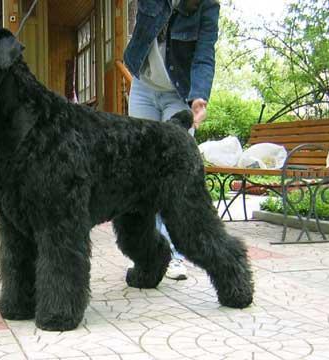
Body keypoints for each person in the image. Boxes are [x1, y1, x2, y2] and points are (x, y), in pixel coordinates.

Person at [124, 0, 220, 280]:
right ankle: (148, 256)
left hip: (179, 94)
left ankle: (175, 255)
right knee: (142, 177)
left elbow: (204, 55)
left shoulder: (207, 7)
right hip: (143, 87)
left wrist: (200, 95)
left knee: (176, 179)